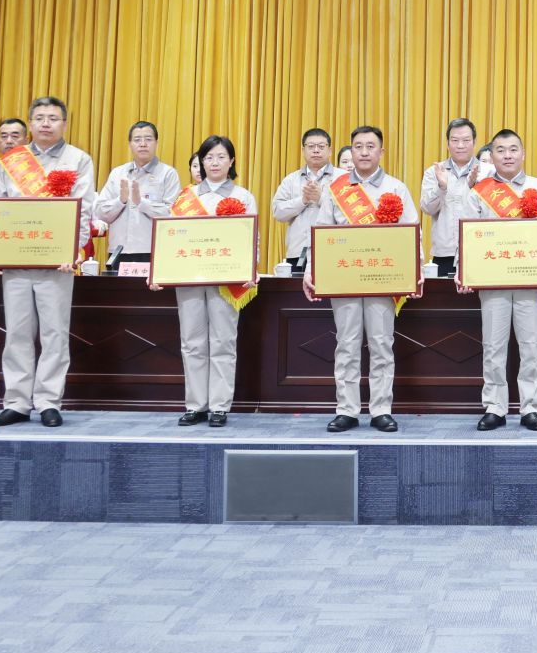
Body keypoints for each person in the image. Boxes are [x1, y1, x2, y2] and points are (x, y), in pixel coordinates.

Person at [0, 96, 96, 429]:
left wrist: (74, 249)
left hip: (56, 263)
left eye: (53, 118)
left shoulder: (78, 159)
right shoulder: (12, 161)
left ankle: (49, 401)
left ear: (64, 123)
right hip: (16, 261)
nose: (45, 123)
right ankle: (16, 402)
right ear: (30, 124)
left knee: (55, 334)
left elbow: (83, 208)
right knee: (17, 333)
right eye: (39, 118)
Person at [308, 124, 417, 433]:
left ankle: (381, 409)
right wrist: (312, 271)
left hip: (383, 279)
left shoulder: (396, 188)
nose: (365, 152)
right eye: (358, 147)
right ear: (351, 151)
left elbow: (413, 234)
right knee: (346, 344)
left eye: (371, 146)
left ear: (381, 152)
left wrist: (414, 273)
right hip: (344, 279)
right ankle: (347, 410)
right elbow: (320, 233)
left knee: (382, 344)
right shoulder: (336, 189)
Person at [454, 128, 537, 431]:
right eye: (500, 150)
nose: (507, 155)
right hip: (493, 283)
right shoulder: (479, 192)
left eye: (513, 149)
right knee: (493, 346)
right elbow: (466, 234)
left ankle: (530, 407)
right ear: (492, 156)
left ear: (523, 153)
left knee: (532, 346)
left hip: (530, 281)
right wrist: (463, 270)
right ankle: (495, 407)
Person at [153, 135, 256, 427]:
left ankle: (220, 406)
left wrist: (250, 270)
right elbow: (171, 237)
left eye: (221, 157)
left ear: (231, 161)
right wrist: (160, 270)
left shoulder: (243, 196)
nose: (214, 163)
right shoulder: (186, 197)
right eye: (208, 157)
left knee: (223, 341)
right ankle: (196, 405)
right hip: (190, 278)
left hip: (227, 280)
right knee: (192, 342)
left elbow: (253, 237)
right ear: (200, 162)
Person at [95, 120, 181, 270]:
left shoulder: (168, 173)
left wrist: (142, 203)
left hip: (154, 251)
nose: (143, 144)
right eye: (137, 140)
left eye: (148, 139)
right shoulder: (117, 173)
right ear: (130, 144)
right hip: (119, 252)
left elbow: (173, 214)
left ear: (156, 143)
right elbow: (100, 212)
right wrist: (120, 201)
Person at [419, 117, 484, 278]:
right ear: (448, 144)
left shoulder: (487, 171)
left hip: (480, 250)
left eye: (466, 140)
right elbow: (427, 208)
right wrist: (441, 187)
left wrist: (474, 188)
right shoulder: (434, 172)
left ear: (474, 142)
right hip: (444, 254)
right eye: (455, 140)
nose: (460, 145)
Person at [269, 127, 340, 274]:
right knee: (298, 289)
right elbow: (278, 212)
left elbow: (349, 215)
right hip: (298, 252)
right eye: (311, 146)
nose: (316, 150)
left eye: (321, 146)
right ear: (303, 150)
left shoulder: (342, 178)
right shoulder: (291, 180)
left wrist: (321, 199)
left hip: (334, 250)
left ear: (330, 150)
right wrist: (303, 200)